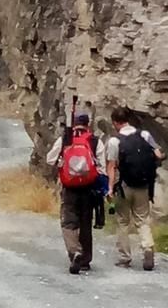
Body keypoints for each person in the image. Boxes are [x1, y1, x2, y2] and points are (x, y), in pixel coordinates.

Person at [106, 106, 165, 271]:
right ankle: (147, 247)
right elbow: (159, 154)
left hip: (124, 186)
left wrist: (110, 188)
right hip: (144, 184)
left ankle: (125, 257)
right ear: (128, 120)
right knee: (142, 219)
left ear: (116, 123)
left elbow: (111, 167)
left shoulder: (114, 141)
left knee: (123, 222)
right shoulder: (144, 135)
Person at [47, 113, 106, 274]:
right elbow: (101, 168)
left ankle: (75, 252)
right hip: (88, 188)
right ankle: (86, 260)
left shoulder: (65, 140)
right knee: (86, 222)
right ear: (88, 124)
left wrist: (63, 163)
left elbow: (49, 159)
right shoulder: (95, 142)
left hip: (69, 187)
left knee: (69, 222)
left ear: (74, 124)